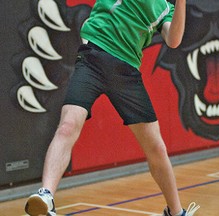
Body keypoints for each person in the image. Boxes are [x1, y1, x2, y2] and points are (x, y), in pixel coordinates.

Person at [24, 0, 200, 215]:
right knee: (67, 126)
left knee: (156, 148)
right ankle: (46, 196)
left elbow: (173, 40)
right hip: (93, 58)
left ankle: (176, 212)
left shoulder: (165, 8)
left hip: (126, 72)